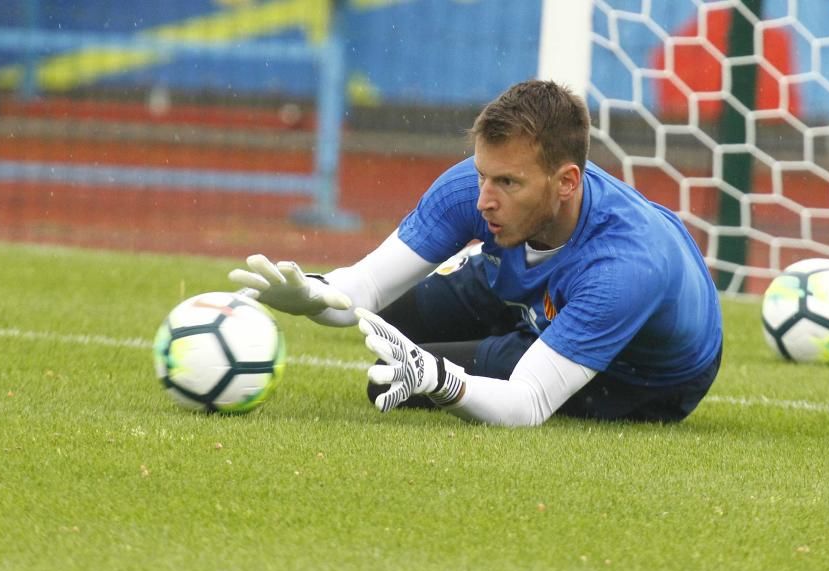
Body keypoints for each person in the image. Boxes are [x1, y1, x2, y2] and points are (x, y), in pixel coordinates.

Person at [228, 80, 723, 427]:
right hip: (532, 281)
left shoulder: (624, 268)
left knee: (388, 386)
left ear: (566, 182)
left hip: (644, 373)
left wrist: (443, 381)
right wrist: (316, 296)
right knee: (393, 324)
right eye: (484, 173)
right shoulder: (475, 188)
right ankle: (508, 325)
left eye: (507, 182)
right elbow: (366, 290)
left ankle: (511, 338)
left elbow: (527, 404)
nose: (484, 197)